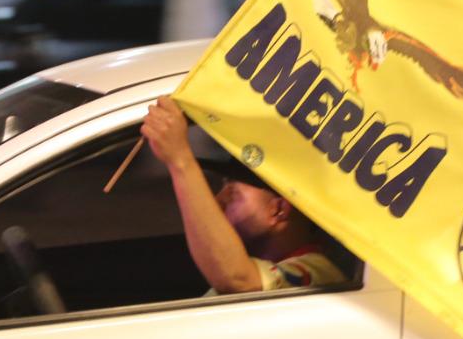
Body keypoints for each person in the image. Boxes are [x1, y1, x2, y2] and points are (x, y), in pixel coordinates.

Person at [139, 96, 346, 294]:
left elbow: (239, 281)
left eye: (233, 194)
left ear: (278, 210)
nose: (217, 202)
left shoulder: (318, 274)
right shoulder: (273, 264)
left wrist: (180, 159)